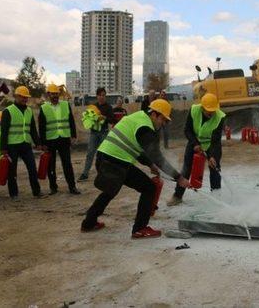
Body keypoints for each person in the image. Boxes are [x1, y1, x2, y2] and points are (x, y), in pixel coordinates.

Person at [81, 99, 190, 238]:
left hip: (108, 158)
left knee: (110, 190)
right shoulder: (145, 128)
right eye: (163, 119)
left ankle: (88, 223)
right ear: (155, 114)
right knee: (149, 188)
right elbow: (157, 157)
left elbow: (134, 148)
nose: (163, 124)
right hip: (114, 161)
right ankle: (140, 228)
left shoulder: (139, 118)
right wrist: (179, 177)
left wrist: (150, 165)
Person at [167, 93, 225, 206]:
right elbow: (187, 130)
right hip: (194, 142)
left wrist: (213, 156)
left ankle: (216, 197)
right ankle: (177, 196)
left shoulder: (220, 117)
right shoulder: (194, 110)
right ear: (202, 107)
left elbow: (216, 140)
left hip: (210, 144)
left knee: (215, 168)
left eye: (213, 111)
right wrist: (195, 143)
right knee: (186, 169)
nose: (211, 113)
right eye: (209, 111)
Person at [0, 86, 42, 199]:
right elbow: (3, 131)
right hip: (12, 145)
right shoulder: (8, 111)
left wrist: (38, 143)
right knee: (12, 172)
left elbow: (32, 129)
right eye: (22, 97)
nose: (24, 99)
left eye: (26, 97)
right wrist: (3, 148)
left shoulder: (29, 111)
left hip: (25, 145)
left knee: (32, 169)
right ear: (16, 96)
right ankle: (13, 194)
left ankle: (36, 192)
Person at [39, 84, 80, 195]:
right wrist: (42, 143)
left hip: (64, 138)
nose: (55, 96)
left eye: (56, 93)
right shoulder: (44, 108)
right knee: (50, 165)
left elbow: (71, 121)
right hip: (50, 140)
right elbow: (42, 127)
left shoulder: (65, 105)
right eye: (53, 94)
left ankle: (72, 187)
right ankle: (53, 188)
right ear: (49, 94)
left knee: (67, 164)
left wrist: (73, 135)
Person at [78, 87, 115, 181]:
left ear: (105, 96)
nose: (101, 97)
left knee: (103, 154)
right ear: (97, 96)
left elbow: (112, 120)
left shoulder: (109, 107)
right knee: (90, 153)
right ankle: (85, 173)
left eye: (103, 95)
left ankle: (103, 173)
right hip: (94, 133)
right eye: (100, 95)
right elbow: (87, 118)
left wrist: (104, 118)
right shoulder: (93, 107)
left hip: (104, 133)